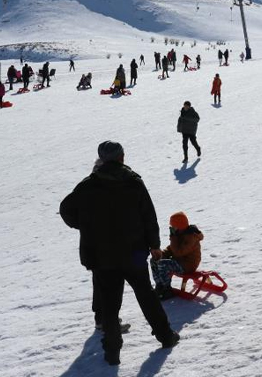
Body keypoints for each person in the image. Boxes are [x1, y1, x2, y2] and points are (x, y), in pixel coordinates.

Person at [59, 141, 180, 366]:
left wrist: (85, 225)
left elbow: (66, 210)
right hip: (133, 253)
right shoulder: (133, 182)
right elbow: (149, 216)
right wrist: (154, 245)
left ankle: (112, 352)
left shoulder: (88, 185)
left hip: (101, 256)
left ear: (102, 159)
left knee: (109, 304)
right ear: (122, 157)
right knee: (146, 295)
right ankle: (165, 337)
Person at [150, 212, 204, 300]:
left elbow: (179, 252)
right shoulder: (180, 234)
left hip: (188, 265)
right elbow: (171, 249)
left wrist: (173, 237)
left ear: (179, 225)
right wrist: (161, 255)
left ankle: (167, 290)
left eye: (173, 226)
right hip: (180, 262)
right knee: (154, 260)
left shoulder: (191, 237)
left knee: (163, 264)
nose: (171, 228)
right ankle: (160, 286)